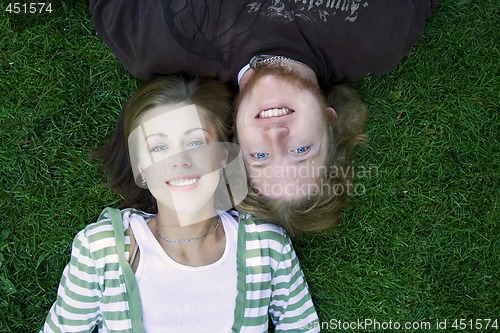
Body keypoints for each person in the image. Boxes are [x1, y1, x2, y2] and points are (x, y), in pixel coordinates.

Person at [89, 0, 436, 234]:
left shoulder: (149, 43)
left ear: (234, 137)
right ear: (331, 121)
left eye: (259, 156)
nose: (275, 136)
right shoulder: (379, 39)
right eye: (302, 150)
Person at [40, 74, 320, 332]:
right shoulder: (101, 250)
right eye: (159, 147)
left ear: (223, 155)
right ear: (141, 166)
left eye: (196, 142)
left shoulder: (267, 246)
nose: (179, 160)